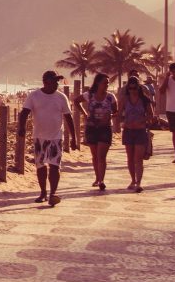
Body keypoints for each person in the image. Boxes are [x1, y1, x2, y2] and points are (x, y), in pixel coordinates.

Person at [17, 70, 78, 207]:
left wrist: (74, 138)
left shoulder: (61, 97)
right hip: (39, 137)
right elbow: (24, 113)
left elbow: (68, 117)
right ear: (45, 82)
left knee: (55, 166)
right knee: (40, 166)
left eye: (57, 81)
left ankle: (53, 194)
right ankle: (43, 192)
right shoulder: (34, 96)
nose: (57, 84)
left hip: (56, 137)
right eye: (54, 81)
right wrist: (21, 127)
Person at [74, 72, 116, 191]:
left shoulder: (110, 97)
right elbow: (76, 101)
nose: (107, 85)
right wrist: (84, 113)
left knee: (101, 156)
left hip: (105, 128)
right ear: (98, 83)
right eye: (105, 83)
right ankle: (97, 178)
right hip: (91, 127)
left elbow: (117, 111)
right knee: (94, 155)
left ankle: (101, 180)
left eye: (108, 83)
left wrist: (109, 115)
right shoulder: (89, 95)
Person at [121, 76, 154, 192]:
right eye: (130, 88)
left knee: (138, 158)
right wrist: (124, 122)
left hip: (140, 130)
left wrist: (142, 121)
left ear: (138, 87)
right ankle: (133, 179)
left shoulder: (144, 100)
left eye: (134, 88)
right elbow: (119, 113)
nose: (132, 91)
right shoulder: (125, 100)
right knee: (130, 158)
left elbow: (151, 115)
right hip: (128, 131)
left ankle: (139, 182)